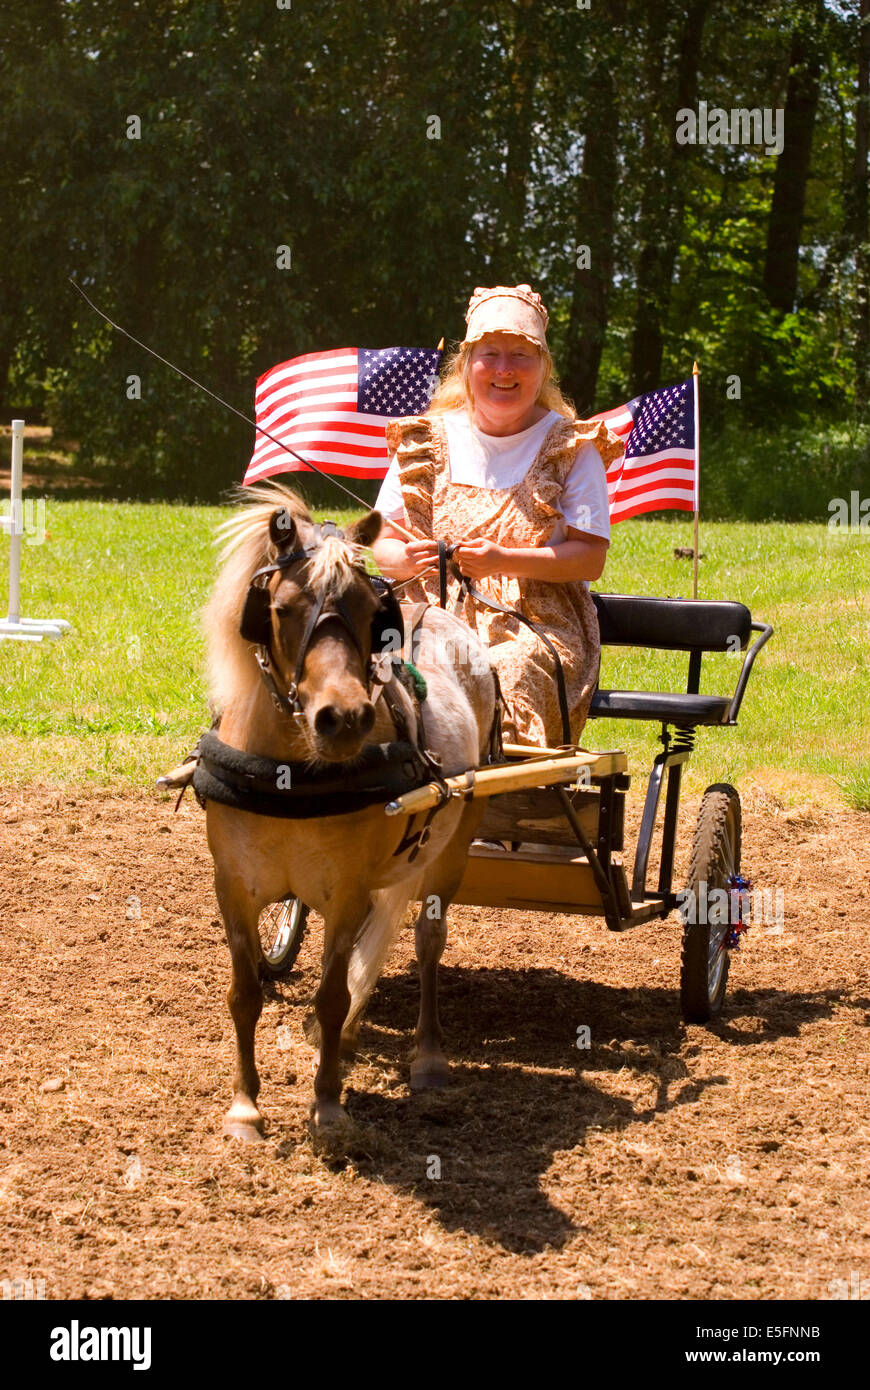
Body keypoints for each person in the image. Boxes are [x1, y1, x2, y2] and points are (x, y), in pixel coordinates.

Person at [371, 283, 625, 748]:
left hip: (531, 626)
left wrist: (502, 560)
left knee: (504, 670)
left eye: (521, 354)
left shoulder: (571, 448)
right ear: (467, 365)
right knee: (368, 674)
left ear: (543, 367)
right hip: (425, 616)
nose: (504, 369)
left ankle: (508, 805)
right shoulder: (424, 442)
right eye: (491, 353)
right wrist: (407, 560)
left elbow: (589, 560)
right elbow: (382, 544)